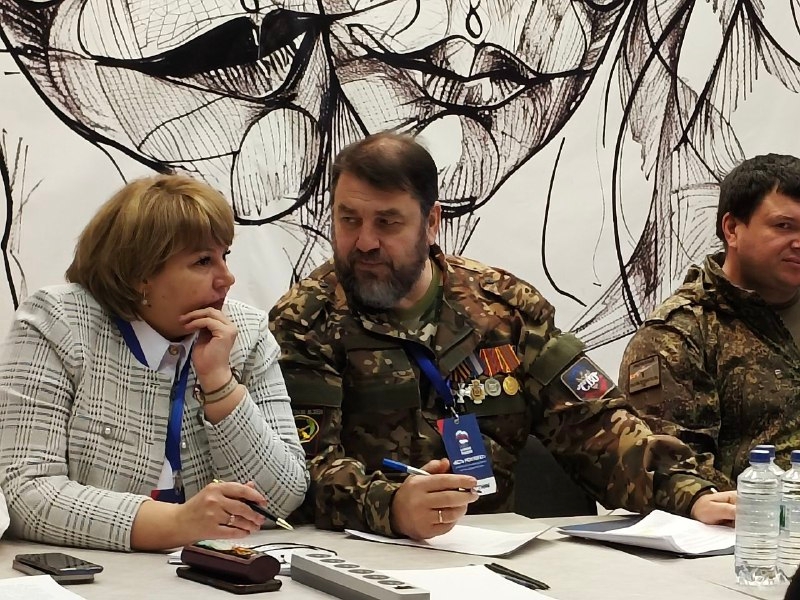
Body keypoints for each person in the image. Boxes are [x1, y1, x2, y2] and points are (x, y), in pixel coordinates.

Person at [269, 132, 736, 541]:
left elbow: (594, 426)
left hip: (495, 554)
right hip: (362, 554)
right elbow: (298, 471)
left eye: (387, 222)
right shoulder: (306, 321)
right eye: (349, 219)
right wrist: (390, 506)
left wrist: (689, 494)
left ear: (431, 223)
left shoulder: (505, 309)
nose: (365, 242)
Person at [0, 174, 309, 551]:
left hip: (208, 572)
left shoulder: (246, 332)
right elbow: (23, 491)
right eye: (203, 261)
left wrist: (220, 385)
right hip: (96, 571)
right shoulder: (58, 321)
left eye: (224, 256)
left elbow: (282, 499)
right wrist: (176, 524)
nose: (227, 278)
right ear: (139, 275)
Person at [619, 153, 800, 491]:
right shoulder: (678, 334)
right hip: (748, 519)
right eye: (783, 226)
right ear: (732, 229)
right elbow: (675, 472)